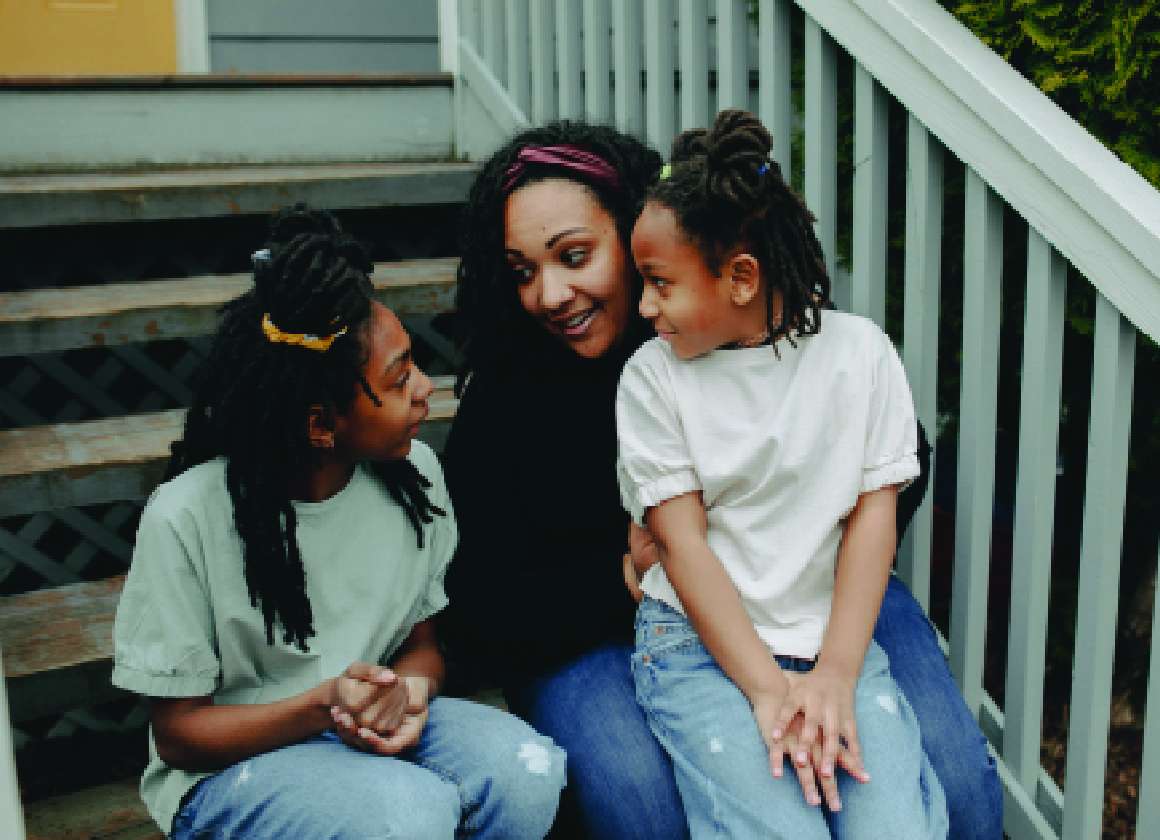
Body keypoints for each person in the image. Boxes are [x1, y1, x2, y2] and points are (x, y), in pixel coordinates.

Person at [439, 120, 1001, 839]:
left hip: (813, 581)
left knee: (960, 790)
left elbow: (894, 471)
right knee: (644, 804)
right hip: (605, 629)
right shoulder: (516, 396)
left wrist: (800, 537)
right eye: (521, 271)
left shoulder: (736, 323)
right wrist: (620, 573)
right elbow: (480, 601)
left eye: (575, 256)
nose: (549, 294)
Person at [111, 205, 565, 839]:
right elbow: (181, 735)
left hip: (356, 733)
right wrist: (323, 705)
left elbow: (422, 646)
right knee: (409, 813)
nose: (425, 387)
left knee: (527, 771)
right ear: (321, 425)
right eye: (399, 376)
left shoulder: (416, 479)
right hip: (234, 767)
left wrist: (405, 695)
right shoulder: (188, 516)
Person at [615, 109, 946, 838]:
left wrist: (834, 675)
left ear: (740, 278)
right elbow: (682, 545)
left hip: (832, 638)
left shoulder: (861, 356)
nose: (643, 308)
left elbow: (872, 521)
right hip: (698, 650)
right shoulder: (652, 380)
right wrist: (767, 691)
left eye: (660, 283)